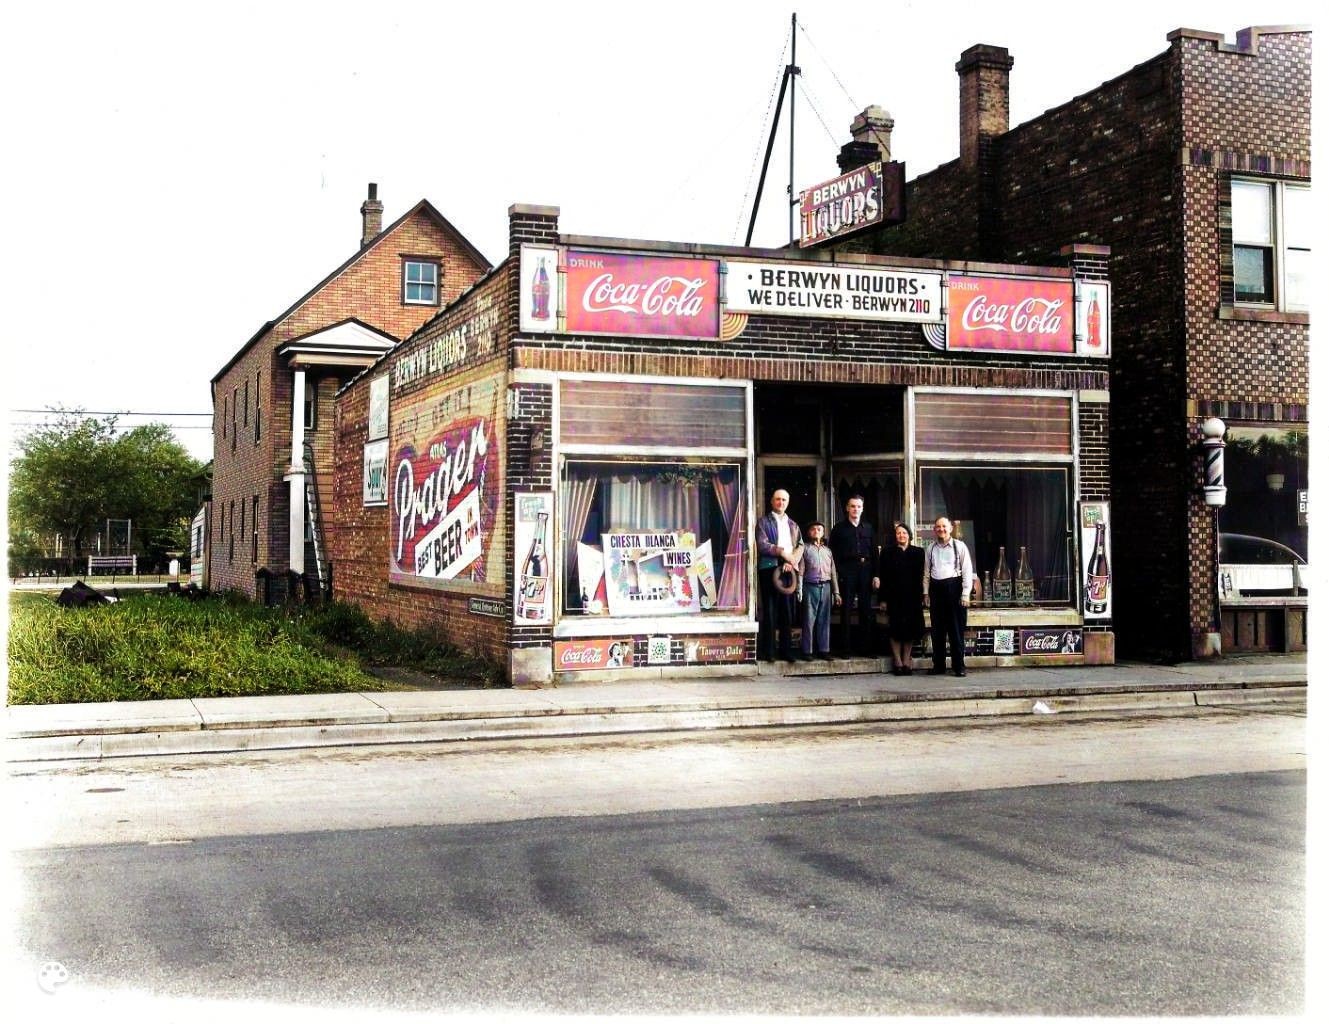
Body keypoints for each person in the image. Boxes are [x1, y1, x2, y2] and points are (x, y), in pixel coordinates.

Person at [756, 489, 803, 663]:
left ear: (787, 502)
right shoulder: (763, 522)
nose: (780, 502)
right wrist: (784, 553)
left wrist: (792, 561)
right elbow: (763, 545)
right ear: (772, 501)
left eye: (784, 500)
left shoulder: (793, 524)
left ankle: (786, 651)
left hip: (788, 570)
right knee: (769, 610)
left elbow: (800, 545)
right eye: (777, 499)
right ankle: (769, 651)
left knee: (787, 612)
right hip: (769, 568)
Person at [924, 516, 975, 676]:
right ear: (934, 530)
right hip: (936, 590)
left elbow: (967, 571)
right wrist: (926, 593)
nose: (941, 529)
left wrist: (966, 594)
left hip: (954, 589)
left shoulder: (960, 546)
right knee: (937, 631)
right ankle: (938, 665)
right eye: (938, 527)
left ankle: (958, 666)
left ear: (951, 528)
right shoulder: (930, 548)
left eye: (944, 526)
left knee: (956, 630)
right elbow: (926, 573)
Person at [829, 494, 878, 656]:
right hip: (847, 571)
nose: (855, 509)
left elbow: (874, 553)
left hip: (866, 570)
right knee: (846, 611)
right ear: (847, 508)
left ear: (862, 509)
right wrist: (839, 572)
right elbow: (832, 553)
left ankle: (867, 648)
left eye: (858, 506)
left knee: (866, 610)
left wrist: (876, 575)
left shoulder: (869, 528)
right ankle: (846, 649)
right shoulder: (838, 528)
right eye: (852, 506)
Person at [878, 522, 924, 675]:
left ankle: (906, 659)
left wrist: (925, 595)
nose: (901, 535)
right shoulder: (887, 552)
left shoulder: (918, 552)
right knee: (895, 629)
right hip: (894, 597)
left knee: (910, 630)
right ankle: (897, 660)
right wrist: (883, 599)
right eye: (898, 533)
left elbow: (923, 576)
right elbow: (883, 576)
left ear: (909, 535)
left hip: (912, 597)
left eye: (904, 533)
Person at [799, 521, 840, 660]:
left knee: (824, 620)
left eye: (819, 529)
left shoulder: (828, 551)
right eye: (813, 529)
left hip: (826, 587)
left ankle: (824, 650)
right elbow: (801, 570)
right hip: (810, 586)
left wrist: (836, 592)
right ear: (809, 532)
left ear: (823, 533)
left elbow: (833, 572)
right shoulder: (804, 548)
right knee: (809, 620)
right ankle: (807, 651)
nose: (816, 531)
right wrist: (799, 589)